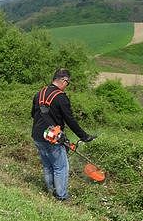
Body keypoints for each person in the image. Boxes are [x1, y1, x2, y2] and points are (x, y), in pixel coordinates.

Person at [31, 68, 95, 200]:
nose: (67, 86)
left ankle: (50, 191)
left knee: (48, 165)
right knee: (61, 167)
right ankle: (61, 196)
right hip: (52, 137)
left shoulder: (39, 93)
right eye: (68, 83)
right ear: (64, 80)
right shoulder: (61, 97)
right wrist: (84, 136)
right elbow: (70, 120)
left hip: (37, 135)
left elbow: (33, 114)